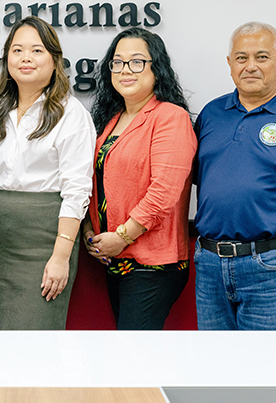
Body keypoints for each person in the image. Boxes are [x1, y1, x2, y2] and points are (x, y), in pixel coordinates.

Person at [0, 15, 95, 330]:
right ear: (6, 59)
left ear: (55, 61)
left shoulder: (71, 114)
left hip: (46, 241)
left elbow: (76, 192)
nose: (26, 58)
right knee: (6, 337)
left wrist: (60, 257)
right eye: (18, 50)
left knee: (36, 345)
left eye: (37, 51)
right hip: (0, 241)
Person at [193, 21, 276, 330]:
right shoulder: (211, 114)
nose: (250, 66)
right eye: (241, 58)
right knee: (214, 369)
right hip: (209, 265)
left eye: (262, 57)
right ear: (230, 64)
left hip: (273, 267)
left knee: (266, 371)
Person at [82, 27, 195, 330]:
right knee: (128, 354)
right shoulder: (112, 119)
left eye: (136, 62)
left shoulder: (171, 117)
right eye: (117, 62)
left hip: (153, 263)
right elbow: (97, 182)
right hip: (115, 260)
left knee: (134, 359)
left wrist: (122, 237)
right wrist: (89, 230)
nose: (124, 70)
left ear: (156, 69)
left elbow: (164, 192)